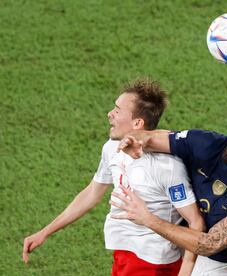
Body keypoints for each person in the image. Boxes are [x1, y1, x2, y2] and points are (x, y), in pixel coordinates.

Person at [22, 79, 204, 276]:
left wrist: (185, 272)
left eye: (117, 110)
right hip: (123, 252)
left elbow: (195, 221)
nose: (110, 114)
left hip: (154, 261)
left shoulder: (167, 166)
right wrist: (45, 232)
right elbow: (92, 193)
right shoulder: (111, 148)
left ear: (137, 123)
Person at [110, 105, 227, 276]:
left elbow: (209, 244)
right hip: (177, 240)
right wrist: (134, 139)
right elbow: (150, 137)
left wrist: (147, 219)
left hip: (214, 262)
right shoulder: (207, 143)